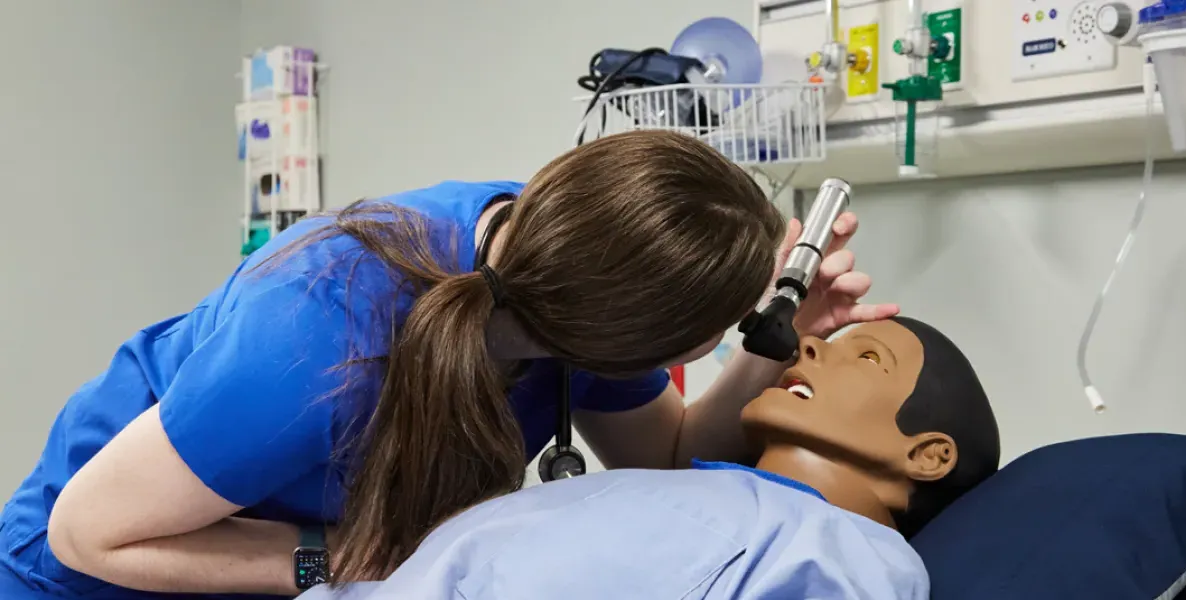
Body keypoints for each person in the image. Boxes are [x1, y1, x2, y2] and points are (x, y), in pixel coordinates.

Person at [0, 130, 899, 599]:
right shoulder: (320, 336)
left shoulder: (573, 275)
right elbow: (94, 534)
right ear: (629, 344)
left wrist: (766, 351)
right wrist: (336, 562)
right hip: (92, 575)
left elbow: (663, 455)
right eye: (715, 331)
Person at [299, 316, 1001, 599]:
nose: (809, 347)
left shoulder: (849, 554)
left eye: (866, 357)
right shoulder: (685, 493)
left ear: (929, 454)